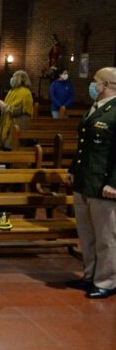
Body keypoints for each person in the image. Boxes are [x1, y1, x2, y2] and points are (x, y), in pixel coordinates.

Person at [66, 67, 116, 299]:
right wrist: (73, 170)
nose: (92, 85)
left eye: (95, 81)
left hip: (103, 185)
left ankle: (107, 281)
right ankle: (90, 276)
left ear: (106, 85)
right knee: (87, 235)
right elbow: (84, 146)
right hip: (85, 181)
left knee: (106, 237)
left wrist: (114, 183)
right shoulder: (96, 108)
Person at [0, 70, 34, 149]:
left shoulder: (25, 93)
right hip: (9, 124)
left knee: (11, 148)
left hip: (16, 125)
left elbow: (16, 111)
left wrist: (3, 105)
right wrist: (3, 106)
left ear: (19, 78)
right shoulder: (12, 91)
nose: (12, 79)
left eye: (14, 77)